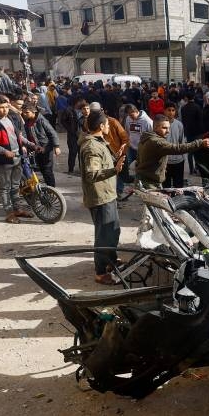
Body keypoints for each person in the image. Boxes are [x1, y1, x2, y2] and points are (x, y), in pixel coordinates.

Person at [79, 110, 126, 285]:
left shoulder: (99, 142)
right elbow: (92, 174)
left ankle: (110, 261)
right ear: (101, 126)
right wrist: (115, 169)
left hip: (108, 194)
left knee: (113, 230)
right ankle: (100, 272)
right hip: (100, 197)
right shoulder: (92, 146)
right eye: (107, 124)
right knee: (104, 235)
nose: (109, 126)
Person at [0, 95, 36, 223]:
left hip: (17, 158)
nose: (4, 110)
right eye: (1, 107)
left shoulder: (11, 119)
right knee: (5, 188)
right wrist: (4, 151)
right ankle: (9, 213)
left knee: (15, 187)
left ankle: (17, 209)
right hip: (2, 161)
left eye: (6, 107)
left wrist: (32, 145)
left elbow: (19, 137)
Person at [136, 115, 209, 188]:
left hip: (144, 179)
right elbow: (178, 148)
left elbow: (138, 159)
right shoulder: (157, 142)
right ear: (155, 127)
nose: (168, 131)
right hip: (150, 182)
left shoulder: (146, 137)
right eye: (164, 128)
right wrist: (200, 143)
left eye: (169, 128)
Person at [20, 104, 60, 187]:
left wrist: (56, 146)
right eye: (23, 113)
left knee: (47, 170)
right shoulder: (26, 121)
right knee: (41, 169)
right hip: (35, 149)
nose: (24, 114)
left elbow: (52, 133)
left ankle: (52, 189)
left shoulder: (41, 120)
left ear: (33, 112)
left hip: (46, 148)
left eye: (27, 112)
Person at [162, 102, 188, 187]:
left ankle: (178, 200)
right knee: (166, 186)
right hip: (165, 161)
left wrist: (183, 157)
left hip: (178, 160)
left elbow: (182, 142)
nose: (171, 112)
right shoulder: (160, 125)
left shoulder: (179, 124)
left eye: (173, 110)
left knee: (178, 186)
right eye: (169, 110)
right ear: (164, 111)